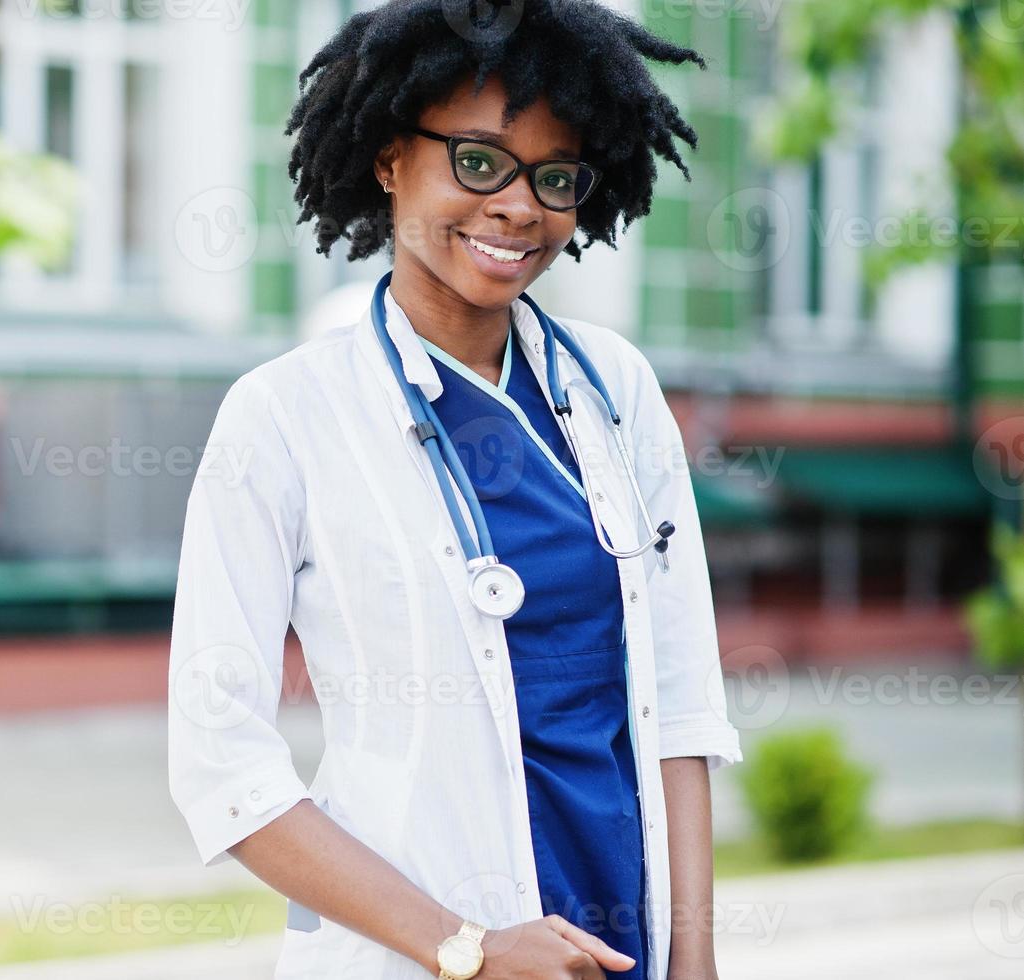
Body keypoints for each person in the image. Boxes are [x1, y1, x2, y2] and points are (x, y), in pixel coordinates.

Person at [167, 2, 743, 978]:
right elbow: (222, 764)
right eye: (479, 162)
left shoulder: (618, 394)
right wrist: (466, 947)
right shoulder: (283, 419)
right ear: (392, 158)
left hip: (621, 945)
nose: (521, 206)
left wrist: (693, 961)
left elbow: (679, 700)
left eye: (555, 175)